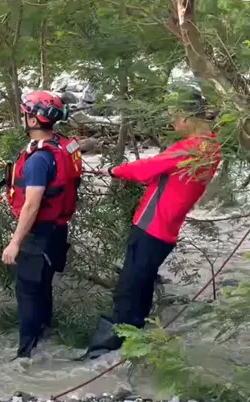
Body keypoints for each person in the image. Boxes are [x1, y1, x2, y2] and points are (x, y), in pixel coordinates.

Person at [82, 90, 222, 360]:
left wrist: (114, 170)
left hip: (152, 226)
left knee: (129, 288)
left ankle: (103, 356)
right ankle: (135, 346)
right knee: (141, 284)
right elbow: (166, 175)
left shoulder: (193, 147)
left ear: (185, 116)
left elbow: (147, 168)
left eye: (173, 117)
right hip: (166, 229)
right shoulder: (212, 144)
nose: (171, 124)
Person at [0, 91, 82, 359]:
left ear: (33, 120)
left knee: (29, 292)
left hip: (38, 234)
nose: (23, 117)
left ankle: (25, 354)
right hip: (57, 230)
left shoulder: (39, 161)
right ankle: (45, 333)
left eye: (25, 114)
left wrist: (14, 242)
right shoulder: (60, 145)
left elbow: (31, 205)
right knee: (43, 285)